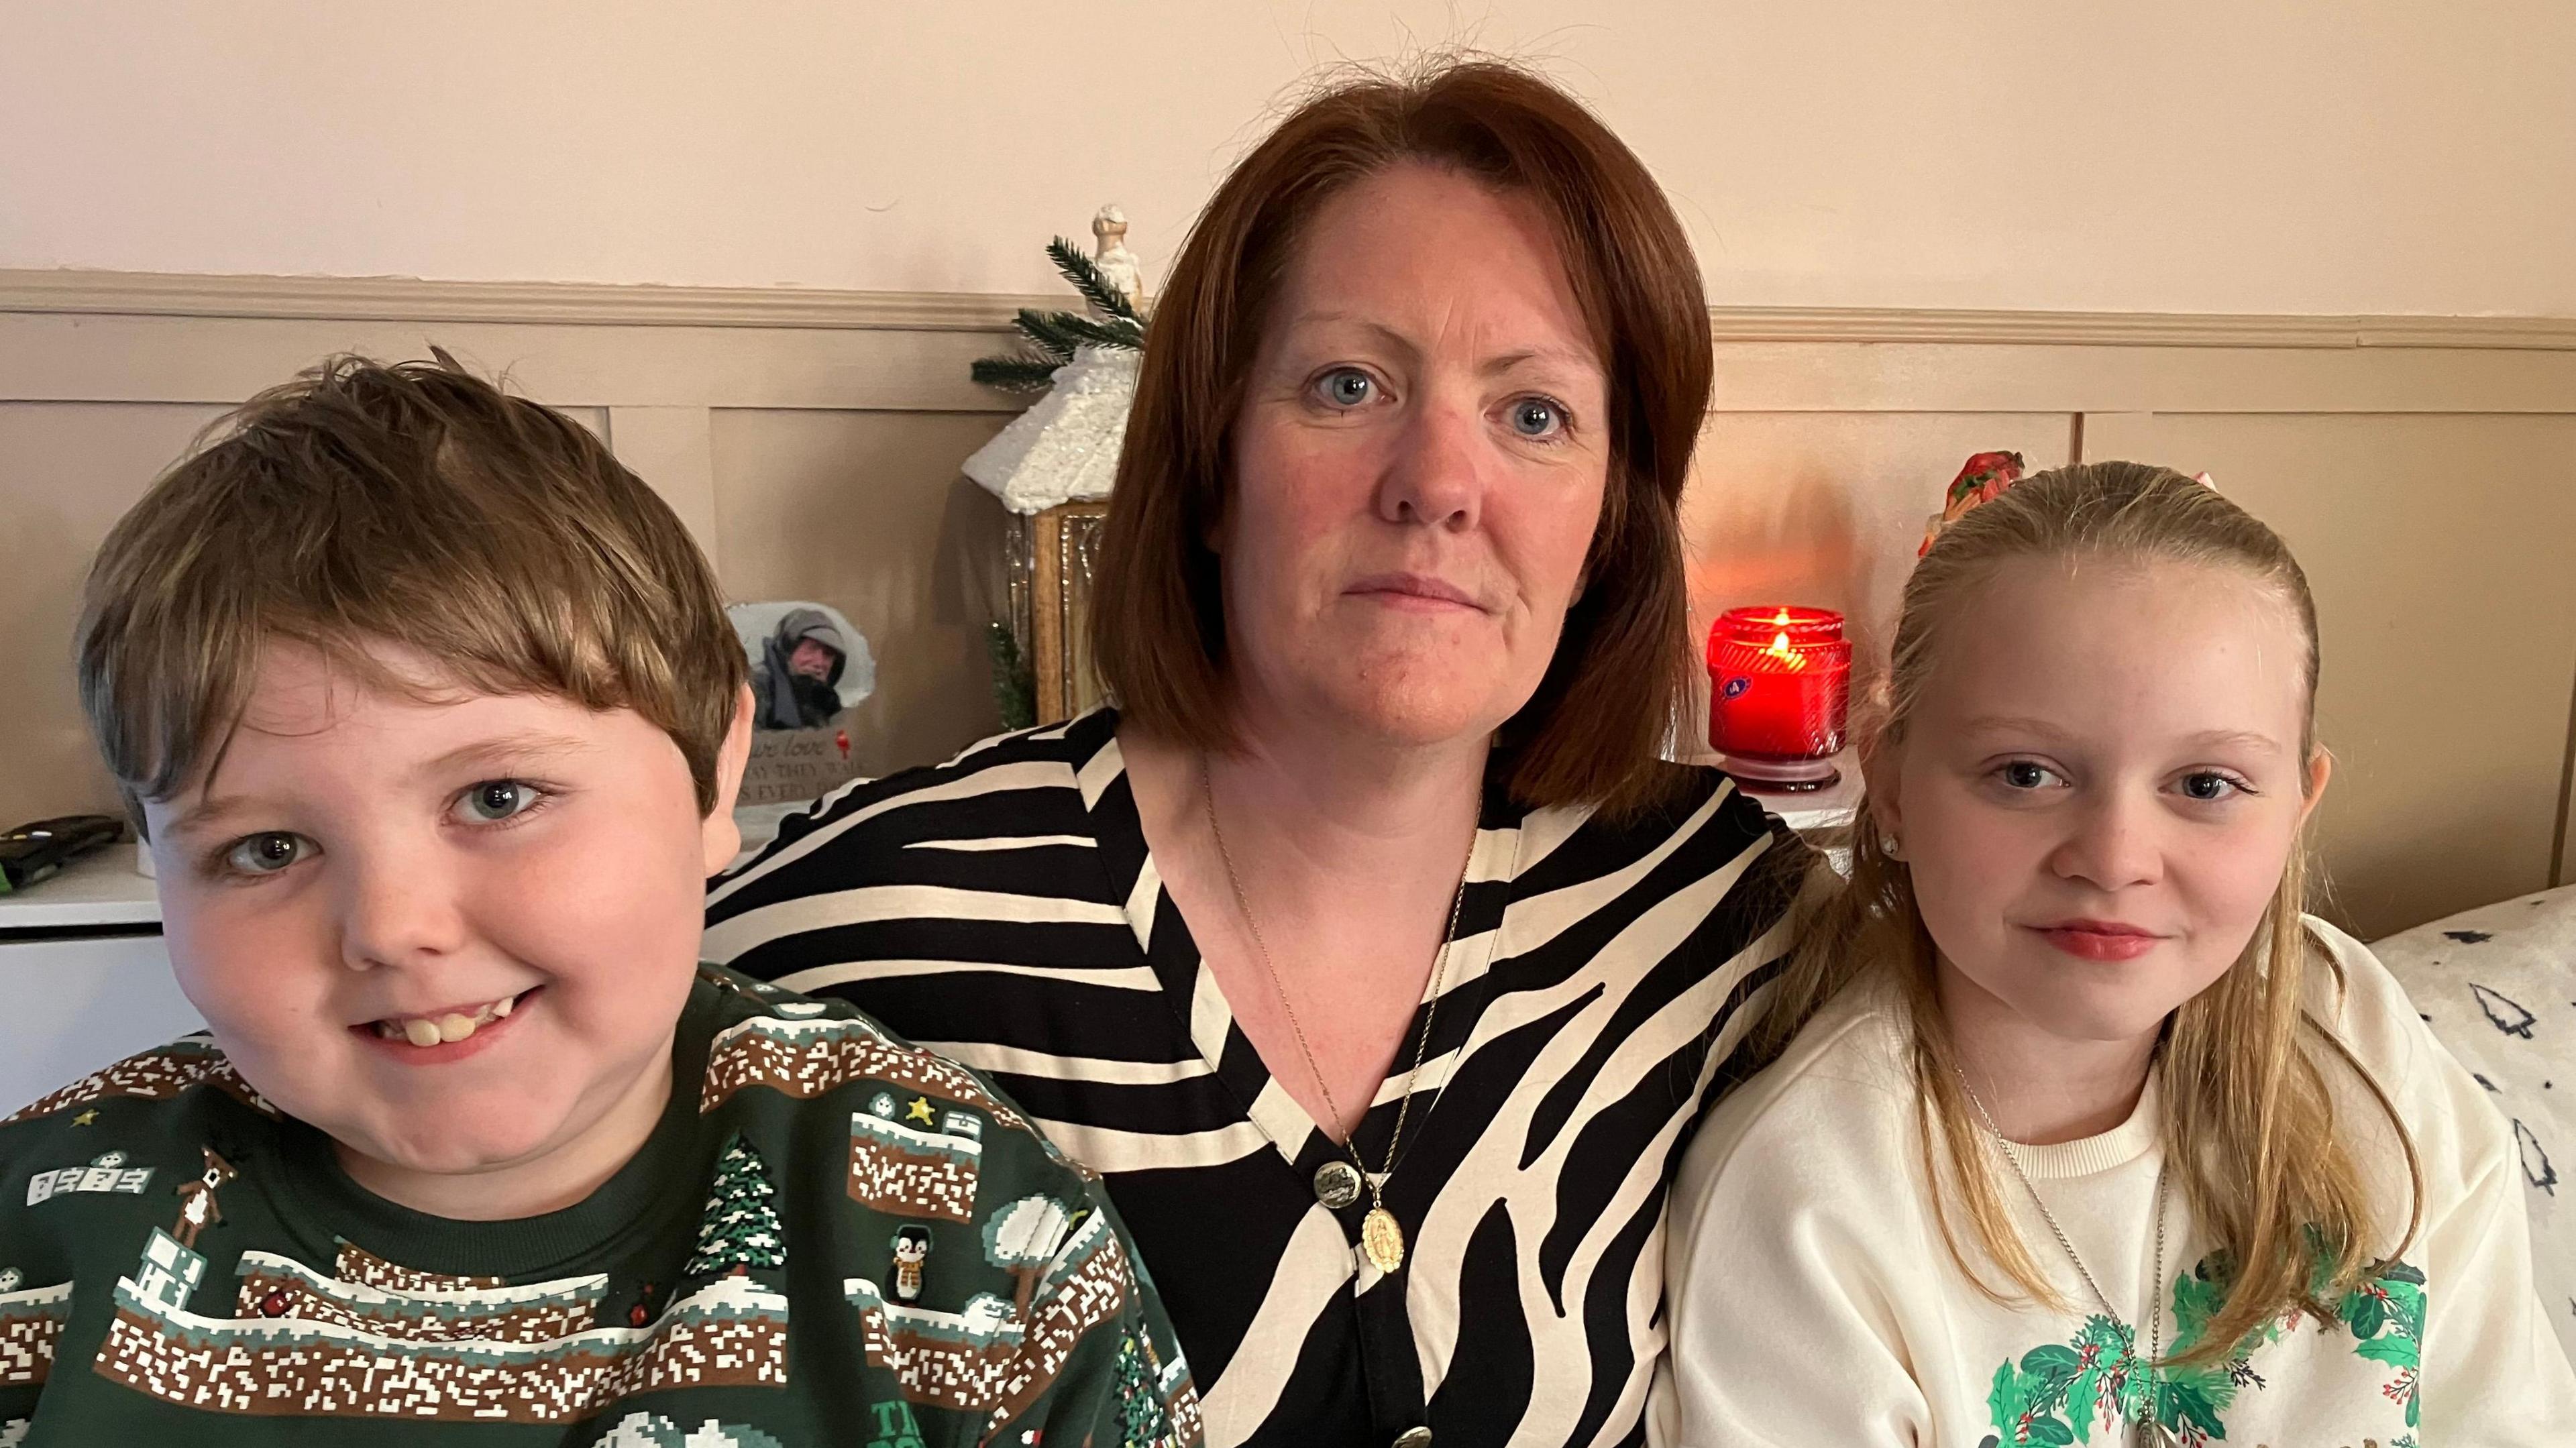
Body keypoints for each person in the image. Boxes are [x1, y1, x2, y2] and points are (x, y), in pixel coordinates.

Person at [708, 61, 1808, 1447]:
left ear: (1608, 527)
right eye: (1348, 384)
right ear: (1212, 470)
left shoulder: (1723, 918)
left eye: (1535, 413)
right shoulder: (861, 944)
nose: (1440, 482)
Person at [13, 356, 1201, 1445]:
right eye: (266, 845)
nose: (391, 925)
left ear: (711, 773)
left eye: (498, 794)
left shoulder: (971, 1233)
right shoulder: (39, 1248)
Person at [1658, 463, 2576, 1445]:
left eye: (2206, 782)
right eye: (2025, 772)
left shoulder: (2358, 1035)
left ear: (2298, 807)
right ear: (1890, 785)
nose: (2115, 857)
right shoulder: (1809, 1202)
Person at [751, 607, 849, 730]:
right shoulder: (755, 688)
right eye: (811, 649)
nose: (819, 662)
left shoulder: (827, 703)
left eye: (828, 654)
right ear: (788, 651)